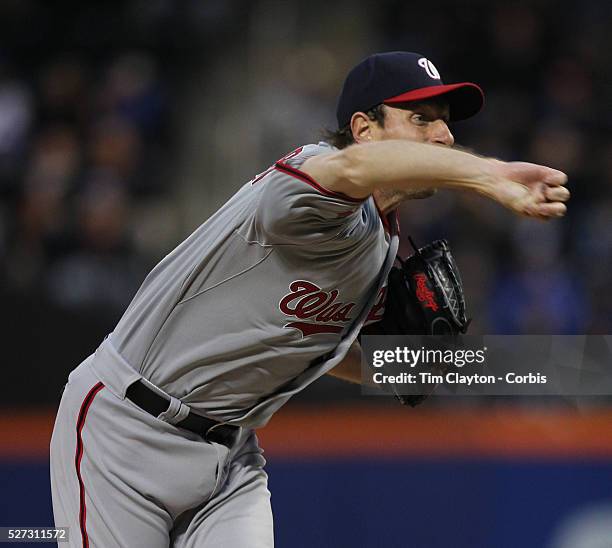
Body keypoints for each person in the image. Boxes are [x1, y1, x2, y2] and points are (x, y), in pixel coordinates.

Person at [50, 51, 570, 547]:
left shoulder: (376, 242)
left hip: (230, 454)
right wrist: (489, 175)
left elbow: (322, 350)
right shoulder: (310, 176)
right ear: (364, 130)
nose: (446, 134)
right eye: (421, 118)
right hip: (125, 431)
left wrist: (431, 370)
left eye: (445, 120)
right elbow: (350, 172)